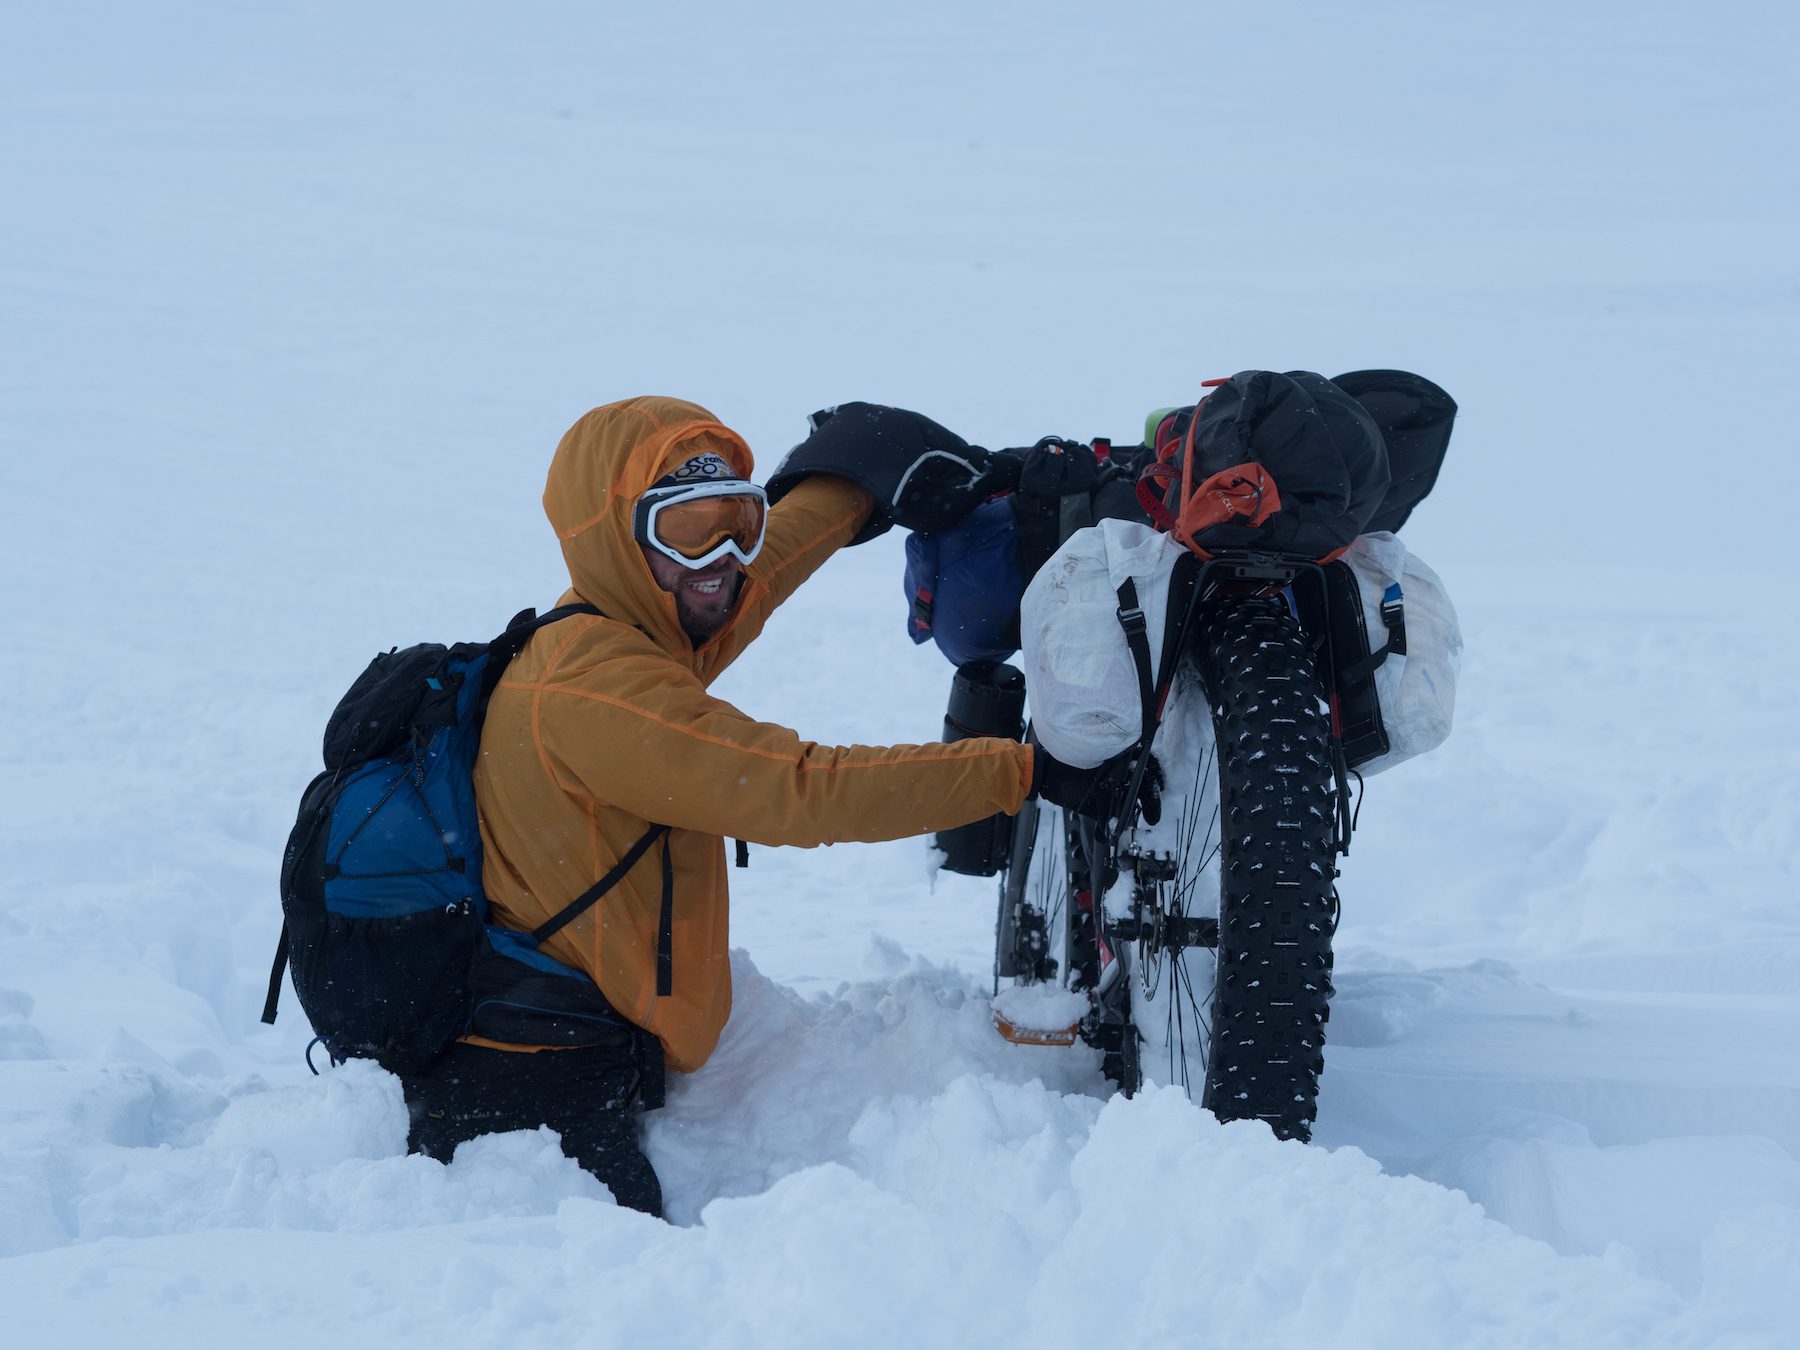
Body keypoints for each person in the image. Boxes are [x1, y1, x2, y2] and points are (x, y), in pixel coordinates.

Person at [399, 395, 1078, 1217]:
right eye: (688, 529)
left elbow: (764, 570)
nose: (721, 554)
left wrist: (856, 478)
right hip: (523, 1085)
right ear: (615, 537)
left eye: (736, 517)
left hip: (580, 1038)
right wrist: (1028, 773)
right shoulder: (597, 689)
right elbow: (801, 790)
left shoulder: (634, 620)